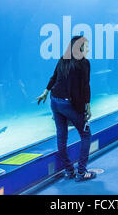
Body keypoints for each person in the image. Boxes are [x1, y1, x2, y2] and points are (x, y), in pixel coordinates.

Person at [36, 36, 96, 182]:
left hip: (55, 101)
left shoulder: (63, 59)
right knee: (86, 135)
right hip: (69, 103)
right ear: (79, 47)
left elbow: (54, 77)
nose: (88, 49)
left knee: (61, 137)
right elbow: (85, 87)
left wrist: (45, 92)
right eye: (86, 46)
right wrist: (86, 107)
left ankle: (70, 171)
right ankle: (81, 172)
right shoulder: (84, 63)